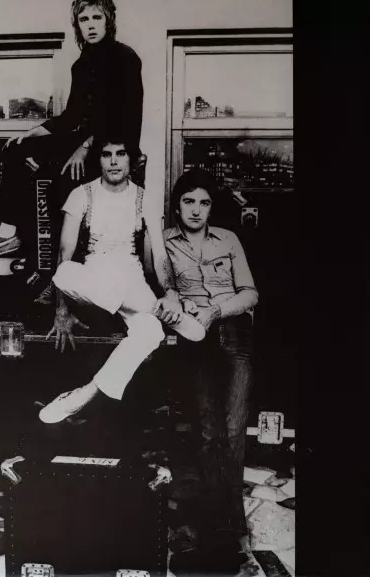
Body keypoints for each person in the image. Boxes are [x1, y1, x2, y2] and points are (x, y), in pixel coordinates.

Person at [0, 0, 144, 266]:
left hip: (115, 145)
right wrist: (31, 133)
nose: (90, 25)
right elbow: (72, 116)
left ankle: (47, 260)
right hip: (84, 141)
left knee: (61, 179)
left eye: (96, 17)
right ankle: (8, 235)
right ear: (77, 24)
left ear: (108, 20)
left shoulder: (125, 57)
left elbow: (123, 116)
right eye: (83, 19)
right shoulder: (81, 64)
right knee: (16, 150)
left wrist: (84, 148)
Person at [37, 140, 205, 424]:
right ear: (99, 160)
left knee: (151, 332)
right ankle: (155, 309)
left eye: (121, 154)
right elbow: (64, 254)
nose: (114, 161)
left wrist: (171, 293)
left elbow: (160, 255)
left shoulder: (144, 198)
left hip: (131, 276)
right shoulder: (81, 194)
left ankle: (82, 395)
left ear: (131, 160)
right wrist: (61, 310)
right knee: (64, 272)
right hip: (94, 276)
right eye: (107, 155)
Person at [161, 168, 259, 563]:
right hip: (194, 339)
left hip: (234, 335)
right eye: (188, 201)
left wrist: (216, 309)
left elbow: (250, 293)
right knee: (206, 430)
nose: (196, 210)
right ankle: (213, 524)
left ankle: (231, 526)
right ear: (177, 206)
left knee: (234, 429)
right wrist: (178, 303)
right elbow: (161, 286)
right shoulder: (164, 241)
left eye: (204, 202)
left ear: (211, 207)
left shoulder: (229, 239)